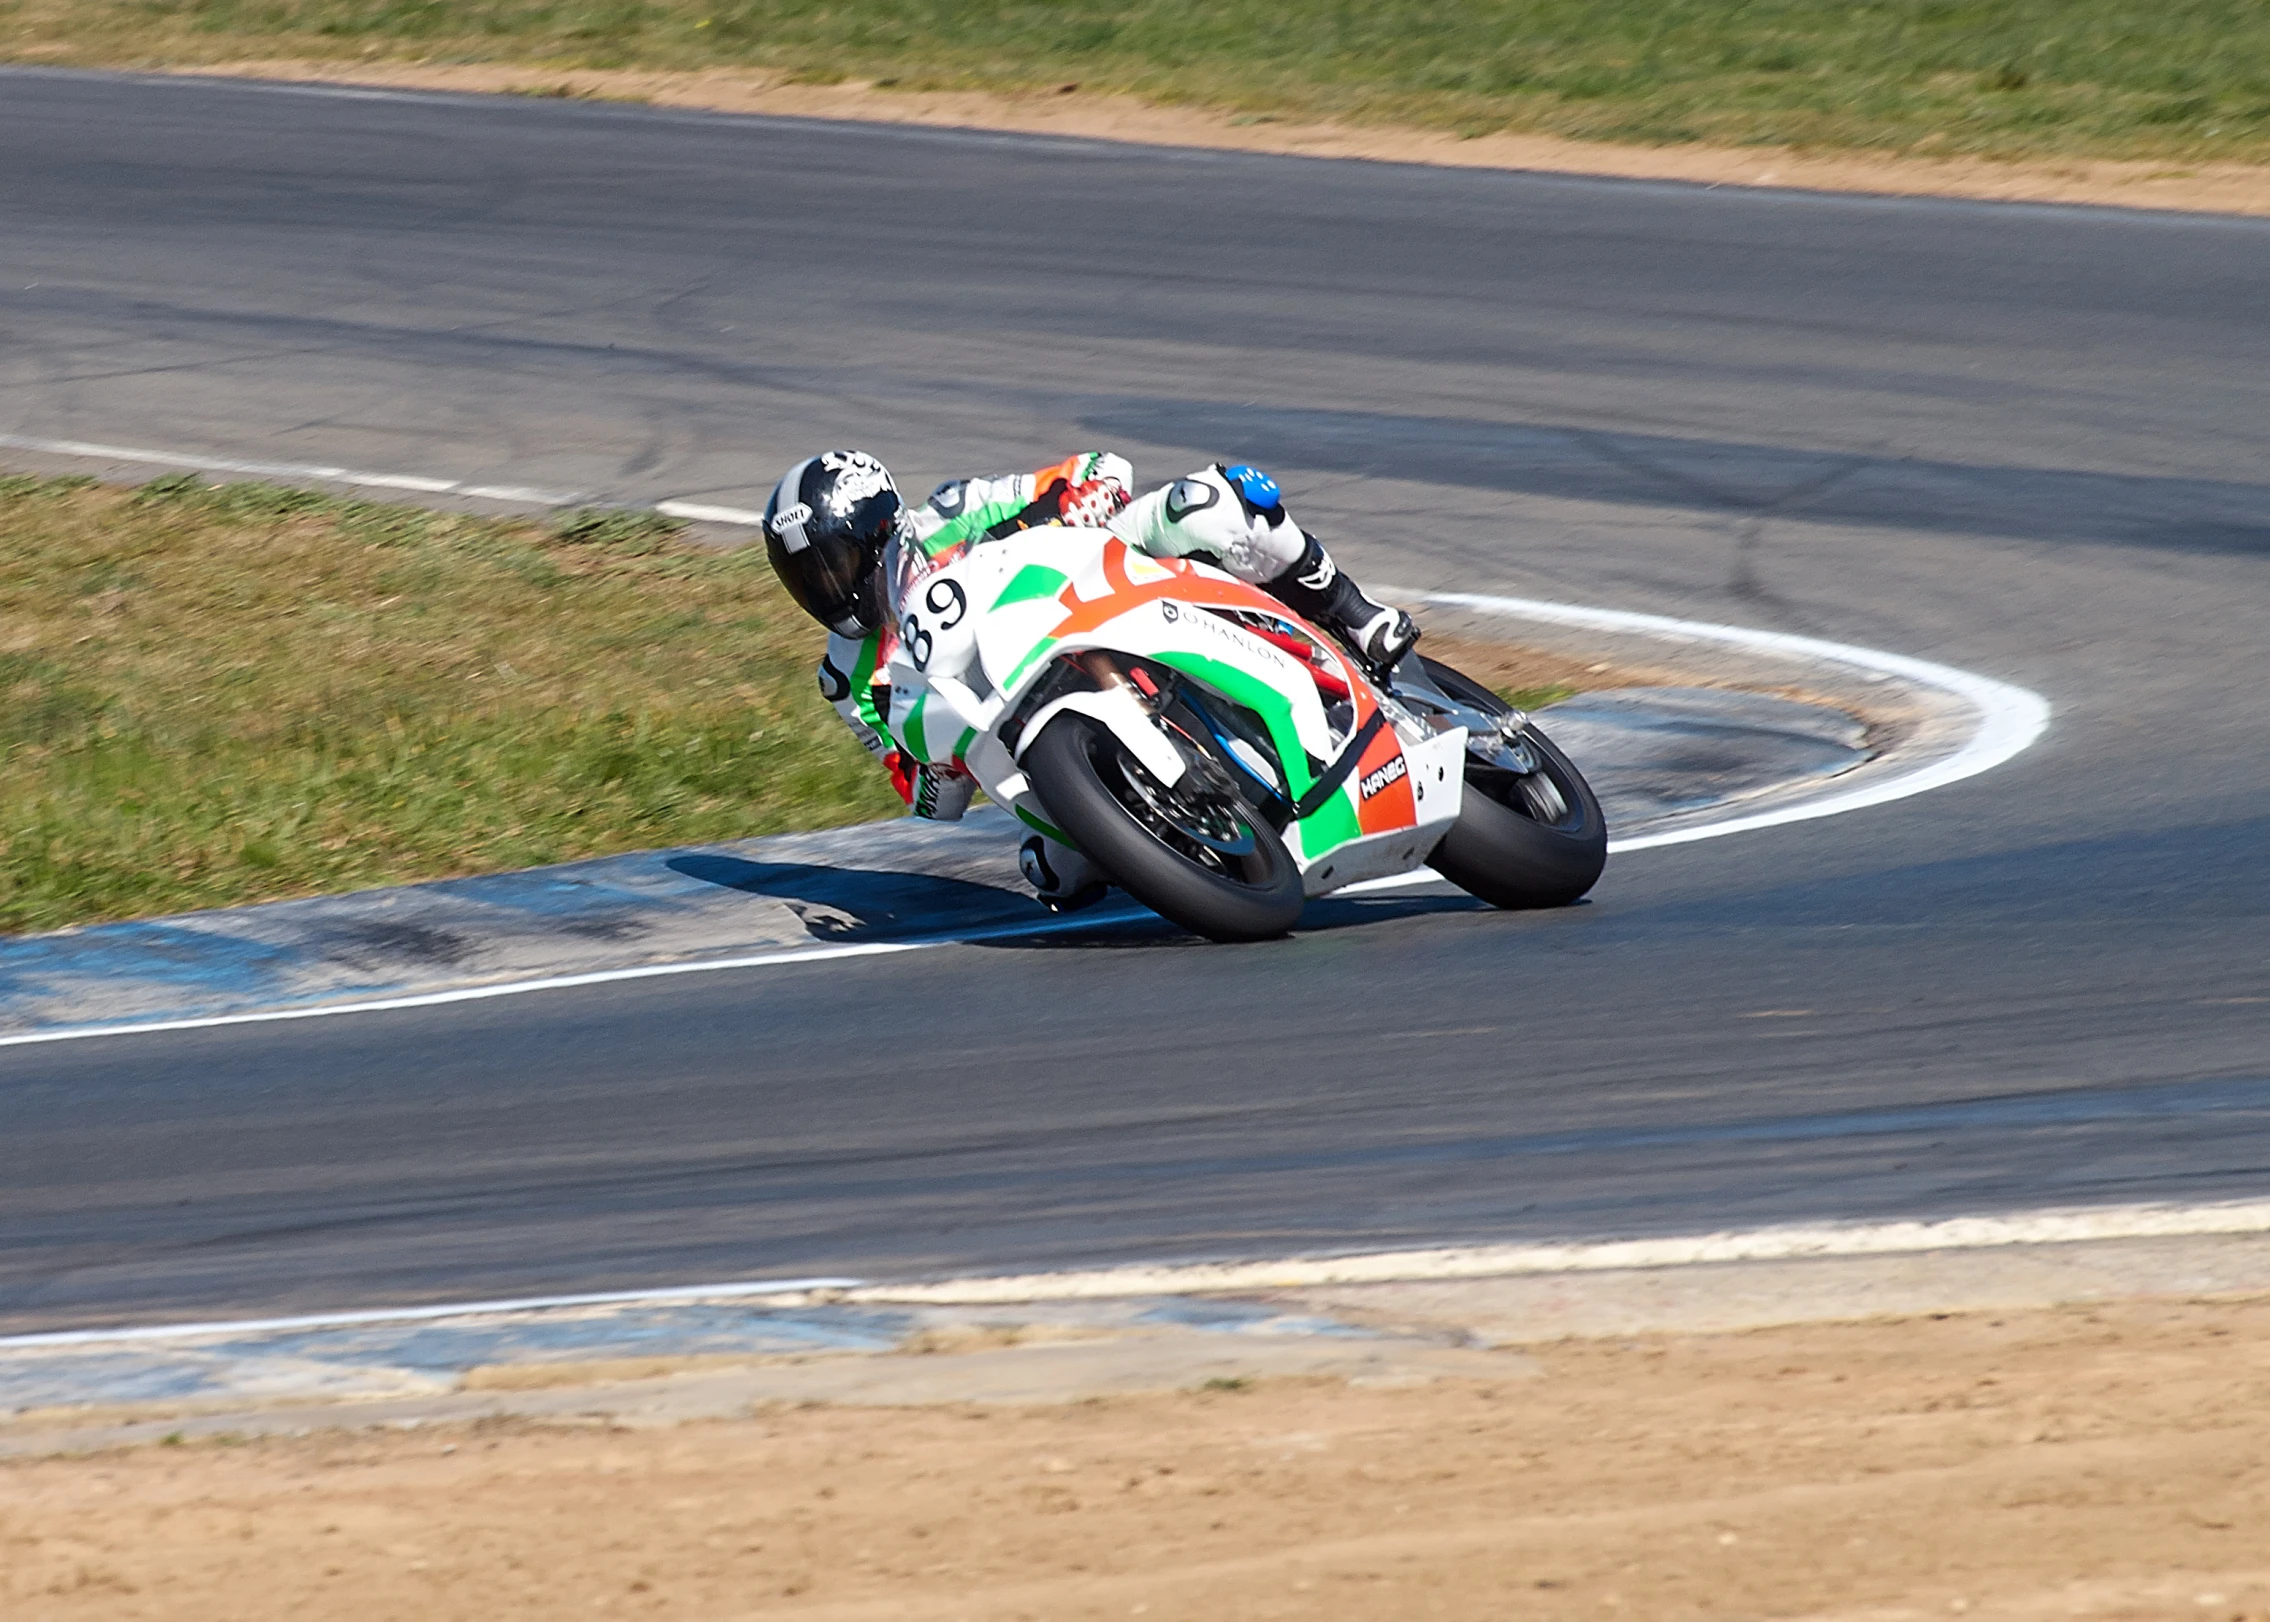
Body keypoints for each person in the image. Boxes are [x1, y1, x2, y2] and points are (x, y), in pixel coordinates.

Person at [762, 448, 1419, 910]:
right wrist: (935, 766)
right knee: (1054, 874)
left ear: (881, 530)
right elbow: (931, 803)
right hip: (1017, 729)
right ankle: (1175, 836)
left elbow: (1096, 473)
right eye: (806, 578)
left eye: (834, 563)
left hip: (1091, 589)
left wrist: (1083, 501)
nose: (828, 589)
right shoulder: (847, 681)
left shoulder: (954, 512)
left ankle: (1360, 621)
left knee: (1206, 504)